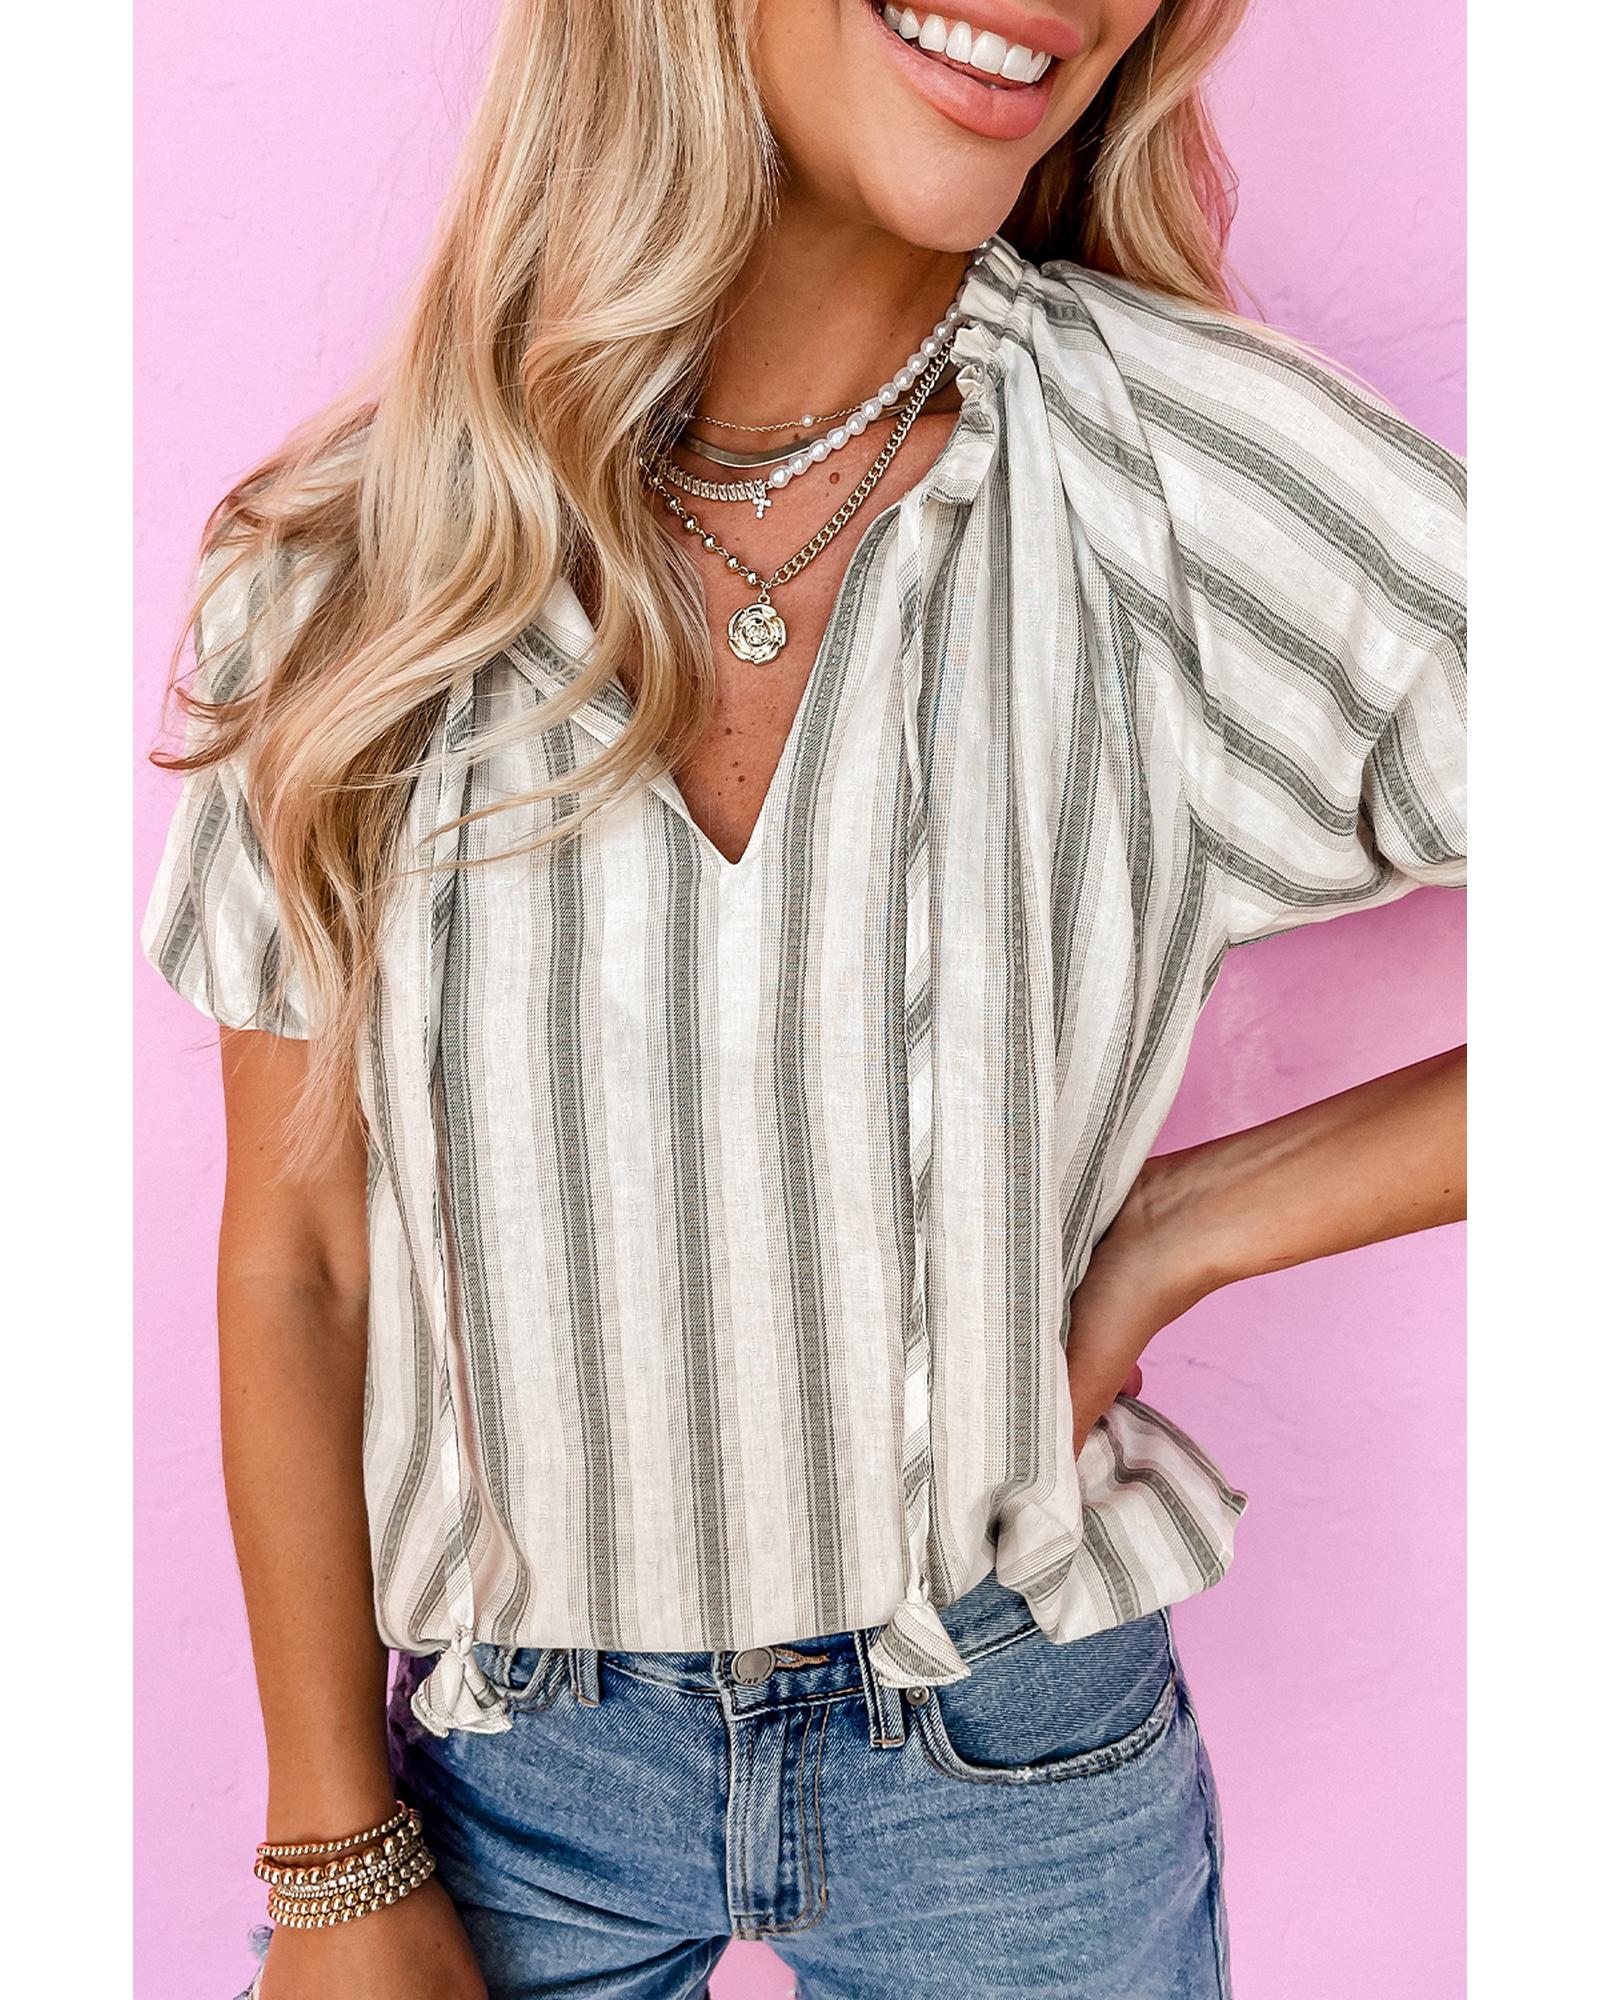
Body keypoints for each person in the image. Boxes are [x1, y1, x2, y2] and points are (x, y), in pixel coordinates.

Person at [139, 3, 1466, 1996]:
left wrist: (1185, 1227)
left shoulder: (1175, 484)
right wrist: (332, 1847)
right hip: (500, 1779)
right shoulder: (355, 569)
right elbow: (302, 1260)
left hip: (1013, 1756)